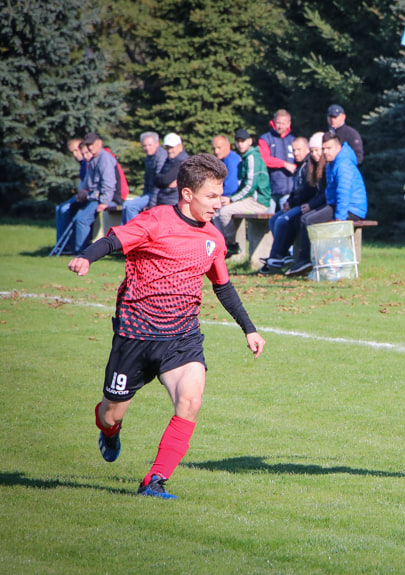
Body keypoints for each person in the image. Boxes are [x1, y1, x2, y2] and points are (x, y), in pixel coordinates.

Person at [67, 153, 266, 499]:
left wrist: (248, 328)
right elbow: (114, 240)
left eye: (221, 196)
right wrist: (87, 255)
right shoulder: (155, 221)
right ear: (187, 194)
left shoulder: (214, 239)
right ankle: (110, 431)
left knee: (190, 401)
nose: (219, 204)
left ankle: (155, 480)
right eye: (212, 196)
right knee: (111, 414)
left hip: (182, 337)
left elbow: (222, 286)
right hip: (135, 336)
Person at [285, 132, 367, 277]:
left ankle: (305, 261)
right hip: (337, 205)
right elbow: (330, 191)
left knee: (308, 220)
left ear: (338, 147)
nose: (325, 152)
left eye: (328, 148)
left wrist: (339, 219)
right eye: (323, 148)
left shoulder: (343, 164)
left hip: (351, 208)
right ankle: (305, 261)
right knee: (303, 218)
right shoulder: (332, 163)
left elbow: (343, 193)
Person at [259, 133, 329, 274]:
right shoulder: (301, 167)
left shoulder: (312, 166)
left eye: (298, 150)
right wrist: (289, 202)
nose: (295, 153)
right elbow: (295, 190)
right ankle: (283, 254)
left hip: (308, 204)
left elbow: (308, 191)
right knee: (274, 220)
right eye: (293, 150)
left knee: (284, 220)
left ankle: (278, 256)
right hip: (301, 203)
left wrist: (295, 203)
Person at [213, 129, 272, 254]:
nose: (240, 144)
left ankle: (232, 245)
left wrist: (231, 199)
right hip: (249, 199)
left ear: (250, 141)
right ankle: (223, 245)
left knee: (224, 212)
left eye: (243, 141)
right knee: (216, 213)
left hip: (258, 201)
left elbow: (250, 187)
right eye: (238, 141)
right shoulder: (245, 158)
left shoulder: (252, 157)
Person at [63, 133, 119, 255]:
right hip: (96, 197)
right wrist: (83, 192)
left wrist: (104, 202)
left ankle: (82, 253)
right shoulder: (94, 160)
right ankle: (71, 249)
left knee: (82, 220)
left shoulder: (105, 159)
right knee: (73, 212)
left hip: (110, 198)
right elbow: (89, 183)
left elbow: (108, 185)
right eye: (87, 145)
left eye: (91, 145)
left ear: (99, 143)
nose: (89, 148)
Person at [122, 132, 168, 224]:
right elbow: (147, 180)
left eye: (150, 145)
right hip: (150, 193)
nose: (147, 148)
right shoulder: (148, 158)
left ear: (157, 143)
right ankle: (123, 233)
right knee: (126, 204)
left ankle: (135, 233)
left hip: (159, 193)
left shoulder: (161, 157)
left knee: (131, 207)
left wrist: (151, 203)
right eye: (145, 146)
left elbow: (158, 183)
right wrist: (144, 197)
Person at [55, 138, 90, 250]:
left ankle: (67, 244)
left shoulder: (88, 162)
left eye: (77, 150)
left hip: (89, 196)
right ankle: (60, 242)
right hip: (82, 194)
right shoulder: (82, 163)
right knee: (59, 208)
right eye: (72, 152)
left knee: (64, 209)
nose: (75, 154)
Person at [258, 109, 296, 209]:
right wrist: (284, 164)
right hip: (269, 191)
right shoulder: (265, 139)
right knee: (267, 221)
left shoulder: (293, 140)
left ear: (289, 124)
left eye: (283, 123)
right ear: (273, 122)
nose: (280, 126)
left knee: (285, 220)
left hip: (288, 191)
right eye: (278, 123)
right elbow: (264, 159)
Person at [150, 133, 189, 208]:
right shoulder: (170, 160)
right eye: (167, 148)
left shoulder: (182, 161)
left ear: (180, 146)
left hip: (172, 202)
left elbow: (165, 180)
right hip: (165, 200)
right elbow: (157, 180)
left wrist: (162, 181)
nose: (169, 151)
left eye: (171, 147)